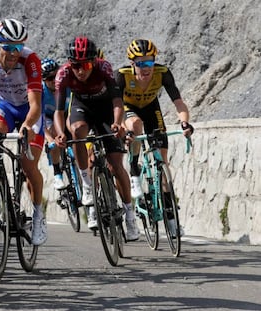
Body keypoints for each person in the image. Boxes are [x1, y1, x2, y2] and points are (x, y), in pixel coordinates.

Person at [54, 36, 140, 240]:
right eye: (76, 65)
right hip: (81, 108)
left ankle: (129, 214)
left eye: (86, 65)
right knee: (77, 131)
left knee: (116, 166)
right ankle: (86, 184)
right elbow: (59, 111)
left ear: (94, 62)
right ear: (69, 64)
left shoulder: (104, 68)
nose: (81, 70)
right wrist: (59, 133)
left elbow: (117, 100)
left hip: (105, 109)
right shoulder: (63, 73)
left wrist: (118, 123)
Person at [114, 38, 194, 236]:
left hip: (151, 109)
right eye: (140, 63)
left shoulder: (162, 73)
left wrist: (184, 122)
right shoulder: (121, 76)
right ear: (132, 64)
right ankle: (134, 169)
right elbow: (115, 106)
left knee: (163, 165)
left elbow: (178, 101)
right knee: (135, 125)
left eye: (149, 62)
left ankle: (172, 219)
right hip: (128, 109)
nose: (146, 67)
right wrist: (125, 129)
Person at [0, 18, 47, 246]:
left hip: (30, 109)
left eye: (18, 47)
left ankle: (39, 216)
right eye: (9, 48)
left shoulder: (30, 60)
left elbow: (36, 104)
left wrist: (27, 126)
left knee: (28, 166)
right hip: (5, 106)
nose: (14, 53)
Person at [41, 58, 71, 190]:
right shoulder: (41, 92)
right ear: (43, 80)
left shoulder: (67, 84)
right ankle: (57, 172)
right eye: (49, 78)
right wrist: (49, 139)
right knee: (53, 136)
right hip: (48, 117)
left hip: (66, 113)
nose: (54, 80)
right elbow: (39, 118)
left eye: (56, 75)